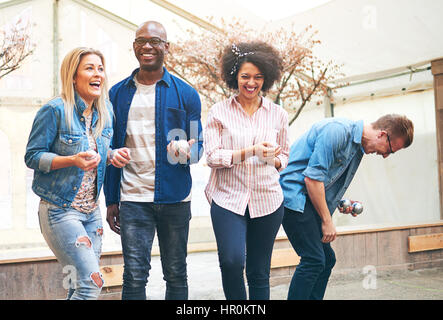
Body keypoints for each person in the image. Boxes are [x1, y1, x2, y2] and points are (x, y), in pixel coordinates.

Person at [103, 21, 203, 300]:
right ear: (134, 46)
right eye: (141, 40)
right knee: (134, 276)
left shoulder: (186, 94)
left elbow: (198, 148)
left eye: (155, 41)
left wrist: (187, 151)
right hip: (133, 199)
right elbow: (110, 148)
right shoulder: (116, 95)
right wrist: (112, 199)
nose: (147, 46)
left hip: (175, 199)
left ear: (166, 47)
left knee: (176, 273)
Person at [24, 47, 130, 300]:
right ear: (73, 76)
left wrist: (112, 155)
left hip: (91, 212)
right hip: (60, 211)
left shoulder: (105, 112)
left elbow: (100, 150)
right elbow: (33, 156)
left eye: (101, 69)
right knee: (91, 284)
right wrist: (71, 160)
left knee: (77, 285)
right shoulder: (55, 110)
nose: (98, 74)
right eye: (90, 68)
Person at [279, 114, 414, 300]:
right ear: (382, 134)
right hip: (293, 198)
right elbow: (311, 180)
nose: (385, 156)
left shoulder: (358, 148)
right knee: (314, 260)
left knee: (326, 260)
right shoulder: (338, 131)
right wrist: (327, 220)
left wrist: (340, 202)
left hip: (307, 200)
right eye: (390, 150)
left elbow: (323, 180)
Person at [204, 41, 290, 300]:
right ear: (234, 76)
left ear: (266, 79)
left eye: (258, 77)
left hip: (268, 200)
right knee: (231, 262)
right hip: (228, 199)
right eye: (245, 77)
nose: (251, 83)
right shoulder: (218, 112)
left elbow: (285, 156)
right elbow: (211, 156)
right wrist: (250, 151)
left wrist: (273, 159)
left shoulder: (278, 114)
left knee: (259, 271)